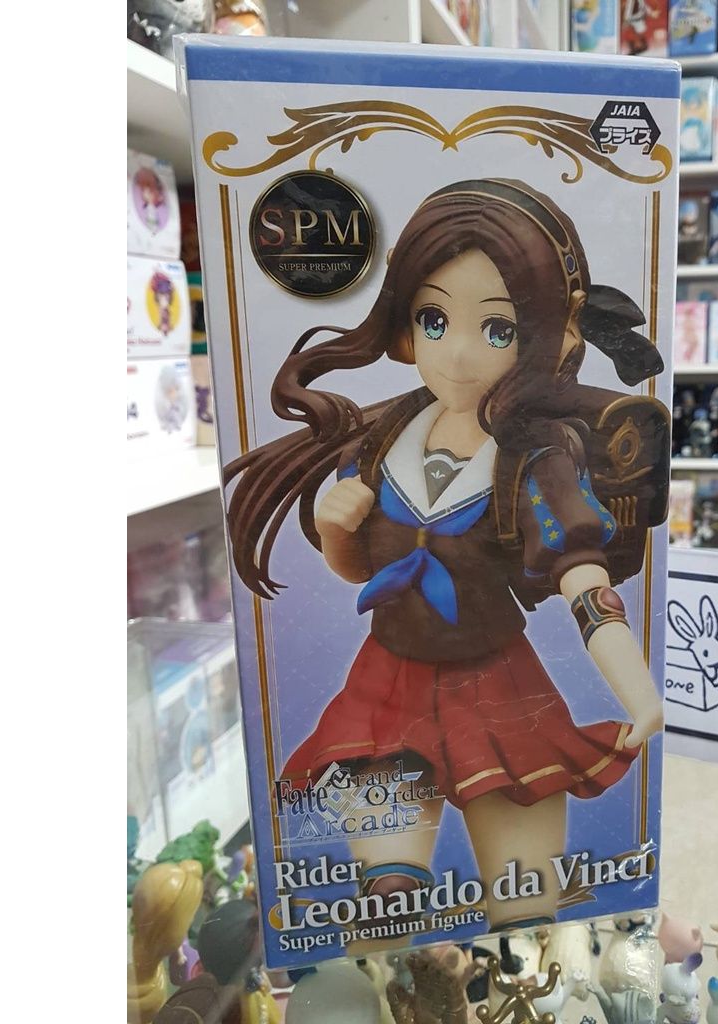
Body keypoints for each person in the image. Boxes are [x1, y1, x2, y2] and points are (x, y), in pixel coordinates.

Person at [224, 178, 666, 937]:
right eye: (434, 319)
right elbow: (361, 572)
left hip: (497, 687)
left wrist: (638, 689)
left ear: (551, 337)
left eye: (498, 328)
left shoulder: (532, 459)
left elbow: (582, 579)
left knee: (525, 907)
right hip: (385, 686)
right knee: (386, 905)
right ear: (405, 326)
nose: (458, 353)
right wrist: (337, 529)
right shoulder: (380, 440)